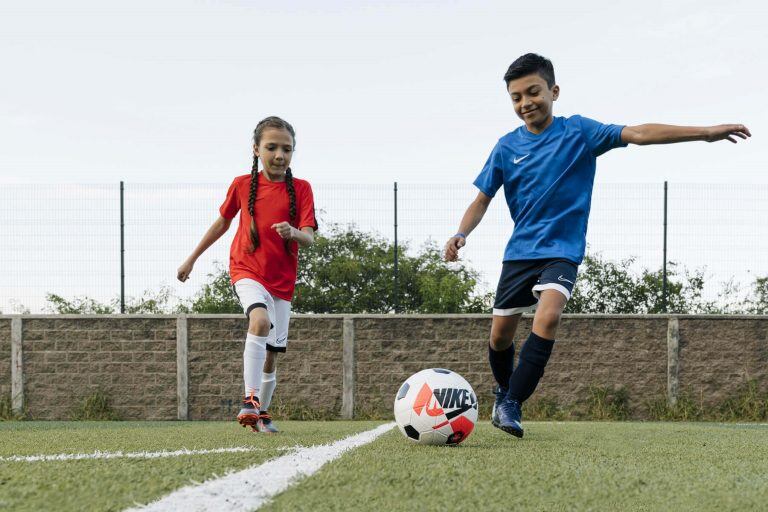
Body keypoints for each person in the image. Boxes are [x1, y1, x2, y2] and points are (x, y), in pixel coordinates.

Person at [444, 53, 750, 438]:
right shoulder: (506, 147)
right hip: (519, 253)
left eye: (533, 92)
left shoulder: (579, 132)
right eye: (516, 97)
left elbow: (638, 134)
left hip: (562, 251)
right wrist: (461, 233)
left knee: (548, 316)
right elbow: (482, 198)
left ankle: (512, 403)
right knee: (500, 336)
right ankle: (503, 391)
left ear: (554, 91)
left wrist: (705, 132)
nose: (526, 103)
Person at [178, 116, 317, 433]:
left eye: (287, 149)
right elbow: (222, 224)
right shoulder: (242, 185)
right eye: (272, 147)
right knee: (259, 321)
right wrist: (192, 259)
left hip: (282, 282)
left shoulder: (302, 189)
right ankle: (250, 399)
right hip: (247, 269)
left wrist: (293, 232)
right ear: (256, 149)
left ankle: (262, 414)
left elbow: (309, 237)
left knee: (272, 356)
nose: (279, 155)